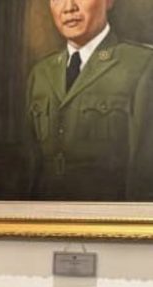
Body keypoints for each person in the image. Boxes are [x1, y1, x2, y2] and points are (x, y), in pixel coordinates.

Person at [25, 0, 153, 201]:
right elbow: (32, 165)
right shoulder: (41, 73)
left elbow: (145, 172)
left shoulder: (142, 65)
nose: (68, 8)